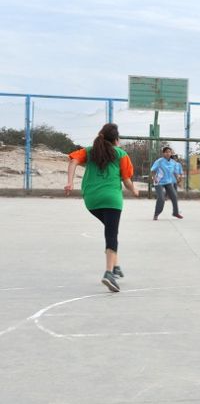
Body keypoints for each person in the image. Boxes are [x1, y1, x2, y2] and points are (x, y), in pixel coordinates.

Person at [64, 123, 139, 292]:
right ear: (116, 140)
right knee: (111, 234)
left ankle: (116, 265)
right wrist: (134, 190)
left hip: (91, 201)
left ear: (101, 136)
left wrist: (69, 182)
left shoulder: (90, 151)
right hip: (111, 199)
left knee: (109, 228)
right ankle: (109, 273)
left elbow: (73, 161)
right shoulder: (121, 154)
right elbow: (127, 181)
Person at [150, 146, 183, 220]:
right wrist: (154, 178)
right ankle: (156, 214)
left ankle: (175, 213)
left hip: (168, 182)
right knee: (161, 198)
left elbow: (175, 172)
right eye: (166, 152)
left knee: (174, 196)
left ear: (171, 153)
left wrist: (177, 178)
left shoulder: (173, 162)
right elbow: (152, 170)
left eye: (169, 152)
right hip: (159, 182)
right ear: (163, 153)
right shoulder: (159, 161)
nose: (168, 153)